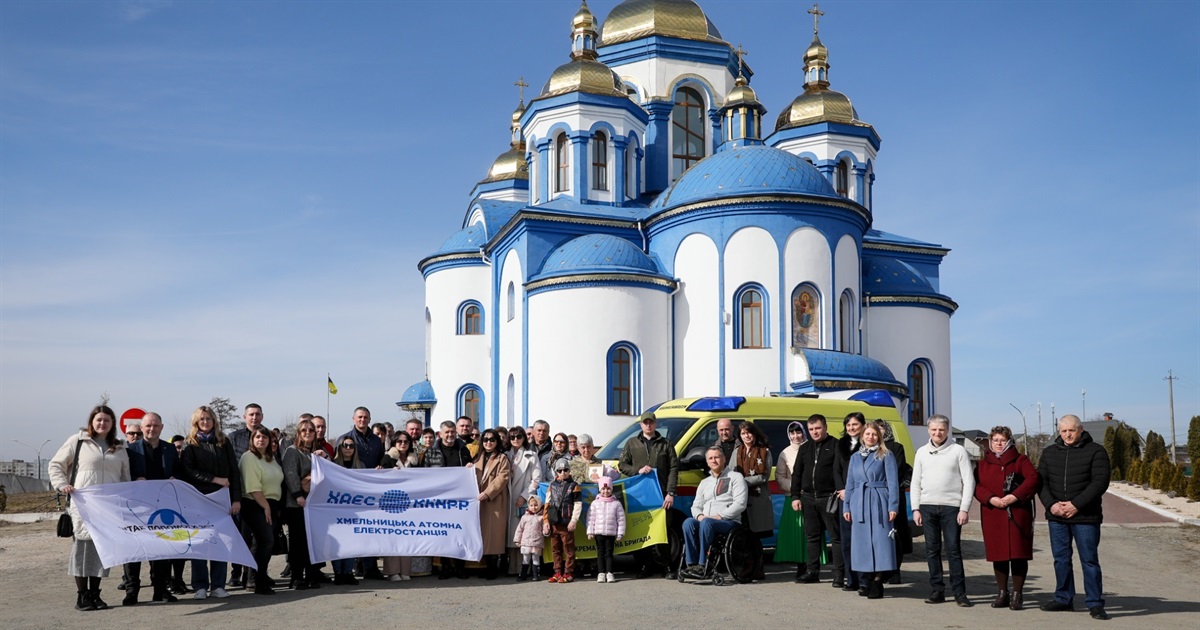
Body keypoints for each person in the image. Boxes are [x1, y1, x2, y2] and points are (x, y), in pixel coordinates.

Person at [48, 405, 132, 611]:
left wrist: (125, 501)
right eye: (99, 420)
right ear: (92, 422)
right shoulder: (77, 442)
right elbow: (56, 465)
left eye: (107, 420)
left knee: (103, 551)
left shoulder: (119, 448)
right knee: (82, 550)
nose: (102, 423)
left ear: (113, 424)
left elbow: (125, 478)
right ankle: (82, 596)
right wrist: (61, 485)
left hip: (108, 507)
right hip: (83, 505)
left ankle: (95, 594)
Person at [1037, 415, 1111, 620]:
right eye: (1063, 431)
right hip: (1057, 517)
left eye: (1071, 430)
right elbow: (1041, 483)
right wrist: (1052, 505)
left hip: (1086, 517)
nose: (1067, 435)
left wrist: (1076, 505)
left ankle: (1095, 603)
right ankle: (1063, 598)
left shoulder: (1096, 451)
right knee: (1061, 559)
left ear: (1080, 430)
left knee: (1089, 560)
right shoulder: (1050, 452)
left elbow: (1099, 482)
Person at [177, 405, 241, 600]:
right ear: (196, 422)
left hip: (222, 501)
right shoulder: (190, 443)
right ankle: (200, 586)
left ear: (214, 421)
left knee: (219, 543)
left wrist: (236, 498)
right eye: (202, 419)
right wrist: (213, 479)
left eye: (209, 419)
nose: (205, 422)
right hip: (198, 500)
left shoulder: (224, 442)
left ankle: (218, 585)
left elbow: (234, 472)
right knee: (200, 543)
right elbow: (187, 470)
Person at [911, 414, 975, 607]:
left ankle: (960, 593)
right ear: (928, 430)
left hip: (951, 508)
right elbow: (915, 482)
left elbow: (969, 481)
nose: (937, 433)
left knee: (953, 550)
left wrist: (964, 508)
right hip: (927, 507)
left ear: (947, 430)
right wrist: (915, 508)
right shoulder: (921, 452)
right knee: (932, 550)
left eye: (941, 429)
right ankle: (937, 590)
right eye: (934, 429)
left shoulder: (958, 451)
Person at [974, 425, 1039, 611]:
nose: (999, 444)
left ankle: (1017, 593)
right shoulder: (982, 464)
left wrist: (1014, 496)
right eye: (995, 440)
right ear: (990, 442)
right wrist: (991, 499)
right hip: (993, 514)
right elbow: (976, 486)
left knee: (1018, 555)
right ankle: (1002, 592)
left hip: (1017, 514)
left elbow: (1033, 479)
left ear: (1009, 441)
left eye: (1002, 440)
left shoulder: (1021, 460)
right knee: (999, 555)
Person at [123, 412, 178, 605]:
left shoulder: (170, 449)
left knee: (162, 550)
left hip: (162, 508)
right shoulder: (130, 450)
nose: (151, 429)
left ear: (161, 428)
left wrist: (175, 480)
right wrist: (134, 480)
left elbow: (178, 473)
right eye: (147, 426)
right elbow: (121, 478)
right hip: (136, 509)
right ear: (142, 427)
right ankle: (132, 592)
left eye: (155, 426)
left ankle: (160, 590)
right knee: (134, 550)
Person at [616, 412, 678, 579]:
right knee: (642, 532)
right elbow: (622, 464)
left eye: (651, 422)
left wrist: (671, 492)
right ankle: (645, 566)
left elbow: (673, 468)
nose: (648, 425)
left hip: (661, 495)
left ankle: (668, 567)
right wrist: (638, 470)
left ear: (655, 424)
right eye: (645, 423)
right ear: (641, 425)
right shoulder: (632, 443)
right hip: (641, 497)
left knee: (664, 531)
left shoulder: (666, 444)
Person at [842, 421, 899, 599]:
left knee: (881, 543)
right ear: (862, 436)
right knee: (863, 545)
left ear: (879, 437)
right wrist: (847, 506)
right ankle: (865, 581)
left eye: (874, 434)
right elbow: (850, 484)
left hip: (879, 500)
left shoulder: (886, 455)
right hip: (860, 502)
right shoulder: (855, 457)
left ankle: (877, 580)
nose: (870, 437)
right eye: (867, 434)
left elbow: (893, 483)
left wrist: (893, 505)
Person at [680, 447, 747, 579]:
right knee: (688, 523)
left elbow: (740, 503)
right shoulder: (704, 482)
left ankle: (703, 564)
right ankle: (691, 564)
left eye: (717, 457)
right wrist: (700, 516)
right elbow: (696, 506)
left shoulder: (736, 477)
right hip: (707, 520)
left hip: (729, 522)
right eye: (710, 458)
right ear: (707, 461)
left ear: (724, 459)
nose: (714, 460)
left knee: (707, 523)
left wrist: (720, 516)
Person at [791, 414, 843, 585]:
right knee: (812, 537)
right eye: (811, 429)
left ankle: (838, 574)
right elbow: (797, 473)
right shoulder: (805, 448)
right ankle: (812, 572)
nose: (815, 432)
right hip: (808, 498)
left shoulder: (835, 445)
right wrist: (795, 496)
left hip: (829, 497)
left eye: (818, 428)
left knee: (836, 537)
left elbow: (840, 471)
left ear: (825, 427)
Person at [423, 420, 472, 579]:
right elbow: (425, 474)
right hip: (440, 499)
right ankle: (445, 566)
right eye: (447, 432)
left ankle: (460, 566)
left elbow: (470, 472)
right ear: (440, 434)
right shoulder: (431, 452)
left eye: (452, 432)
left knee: (460, 533)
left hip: (460, 499)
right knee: (444, 533)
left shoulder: (463, 450)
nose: (450, 435)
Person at [239, 426, 283, 595]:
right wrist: (266, 507)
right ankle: (258, 580)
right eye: (257, 437)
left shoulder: (270, 458)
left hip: (271, 503)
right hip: (255, 503)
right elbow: (253, 487)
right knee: (266, 541)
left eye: (265, 437)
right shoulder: (249, 457)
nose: (261, 440)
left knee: (262, 543)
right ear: (252, 439)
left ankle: (257, 577)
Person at [282, 418, 323, 590]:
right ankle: (297, 577)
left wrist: (323, 458)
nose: (308, 433)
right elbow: (290, 474)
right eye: (304, 430)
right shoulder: (293, 451)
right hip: (297, 504)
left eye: (311, 430)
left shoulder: (314, 453)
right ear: (298, 433)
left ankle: (312, 574)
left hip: (313, 505)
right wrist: (298, 495)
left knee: (312, 541)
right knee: (298, 542)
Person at [226, 403, 263, 590]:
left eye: (257, 414)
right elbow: (231, 466)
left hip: (260, 495)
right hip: (239, 494)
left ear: (262, 416)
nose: (254, 418)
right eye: (251, 414)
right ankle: (236, 572)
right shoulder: (233, 438)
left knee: (256, 538)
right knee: (239, 536)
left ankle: (252, 574)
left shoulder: (265, 436)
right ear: (244, 416)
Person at [834, 412, 866, 593]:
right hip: (845, 497)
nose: (851, 428)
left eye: (855, 424)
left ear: (862, 425)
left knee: (861, 540)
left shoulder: (868, 443)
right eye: (848, 425)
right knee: (846, 540)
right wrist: (842, 490)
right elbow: (836, 469)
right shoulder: (841, 444)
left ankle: (864, 579)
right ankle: (850, 578)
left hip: (862, 496)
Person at [474, 428, 511, 579]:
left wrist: (488, 493)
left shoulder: (502, 458)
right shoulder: (478, 457)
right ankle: (485, 566)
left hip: (494, 500)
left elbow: (502, 477)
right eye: (486, 440)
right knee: (482, 534)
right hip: (479, 501)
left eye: (492, 440)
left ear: (497, 442)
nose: (488, 442)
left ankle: (493, 568)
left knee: (494, 535)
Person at [380, 431, 417, 582]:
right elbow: (381, 478)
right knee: (393, 537)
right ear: (395, 443)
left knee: (407, 537)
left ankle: (405, 570)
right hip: (392, 502)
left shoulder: (414, 461)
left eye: (406, 441)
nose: (403, 444)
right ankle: (392, 571)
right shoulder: (387, 458)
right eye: (400, 441)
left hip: (410, 503)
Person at [880, 421, 913, 583]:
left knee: (895, 535)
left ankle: (895, 571)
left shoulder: (896, 447)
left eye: (880, 430)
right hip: (876, 498)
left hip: (893, 497)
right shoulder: (867, 449)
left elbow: (896, 469)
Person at [506, 426, 542, 576]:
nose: (516, 440)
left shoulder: (531, 455)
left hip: (522, 498)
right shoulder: (505, 455)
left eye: (519, 437)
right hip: (507, 498)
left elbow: (537, 479)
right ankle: (511, 567)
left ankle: (522, 568)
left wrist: (524, 495)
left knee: (523, 535)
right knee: (510, 534)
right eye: (512, 437)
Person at [774, 422, 809, 571]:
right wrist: (796, 487)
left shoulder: (811, 448)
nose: (796, 436)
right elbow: (780, 476)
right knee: (796, 533)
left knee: (810, 532)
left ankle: (812, 564)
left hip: (810, 496)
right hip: (793, 498)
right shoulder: (785, 453)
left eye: (799, 432)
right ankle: (800, 565)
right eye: (793, 433)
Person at [328, 435, 362, 585]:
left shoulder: (361, 465)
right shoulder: (331, 465)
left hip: (355, 510)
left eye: (351, 446)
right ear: (339, 447)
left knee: (351, 542)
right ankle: (338, 573)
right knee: (338, 543)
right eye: (345, 445)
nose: (348, 448)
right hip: (336, 510)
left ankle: (348, 572)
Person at [542, 458, 581, 583]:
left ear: (569, 471)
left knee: (569, 549)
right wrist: (546, 521)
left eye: (565, 470)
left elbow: (578, 505)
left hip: (567, 523)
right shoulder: (551, 486)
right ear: (556, 472)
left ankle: (569, 573)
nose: (563, 472)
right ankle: (557, 572)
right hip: (554, 523)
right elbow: (547, 504)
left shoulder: (574, 486)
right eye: (560, 470)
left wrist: (574, 520)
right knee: (555, 549)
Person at [587, 476, 626, 583]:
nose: (605, 491)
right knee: (600, 553)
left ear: (611, 489)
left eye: (608, 488)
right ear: (600, 490)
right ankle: (601, 573)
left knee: (609, 553)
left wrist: (620, 533)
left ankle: (609, 573)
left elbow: (621, 520)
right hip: (598, 533)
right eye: (603, 489)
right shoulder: (595, 503)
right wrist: (590, 531)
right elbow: (590, 518)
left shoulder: (616, 503)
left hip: (611, 533)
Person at [512, 495, 545, 581]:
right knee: (525, 559)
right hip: (526, 542)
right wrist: (517, 540)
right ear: (528, 506)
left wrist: (546, 531)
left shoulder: (541, 518)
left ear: (540, 505)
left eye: (536, 505)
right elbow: (519, 529)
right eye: (531, 505)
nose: (534, 507)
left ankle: (536, 575)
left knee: (535, 558)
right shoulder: (524, 517)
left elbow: (545, 528)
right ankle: (523, 575)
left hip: (537, 542)